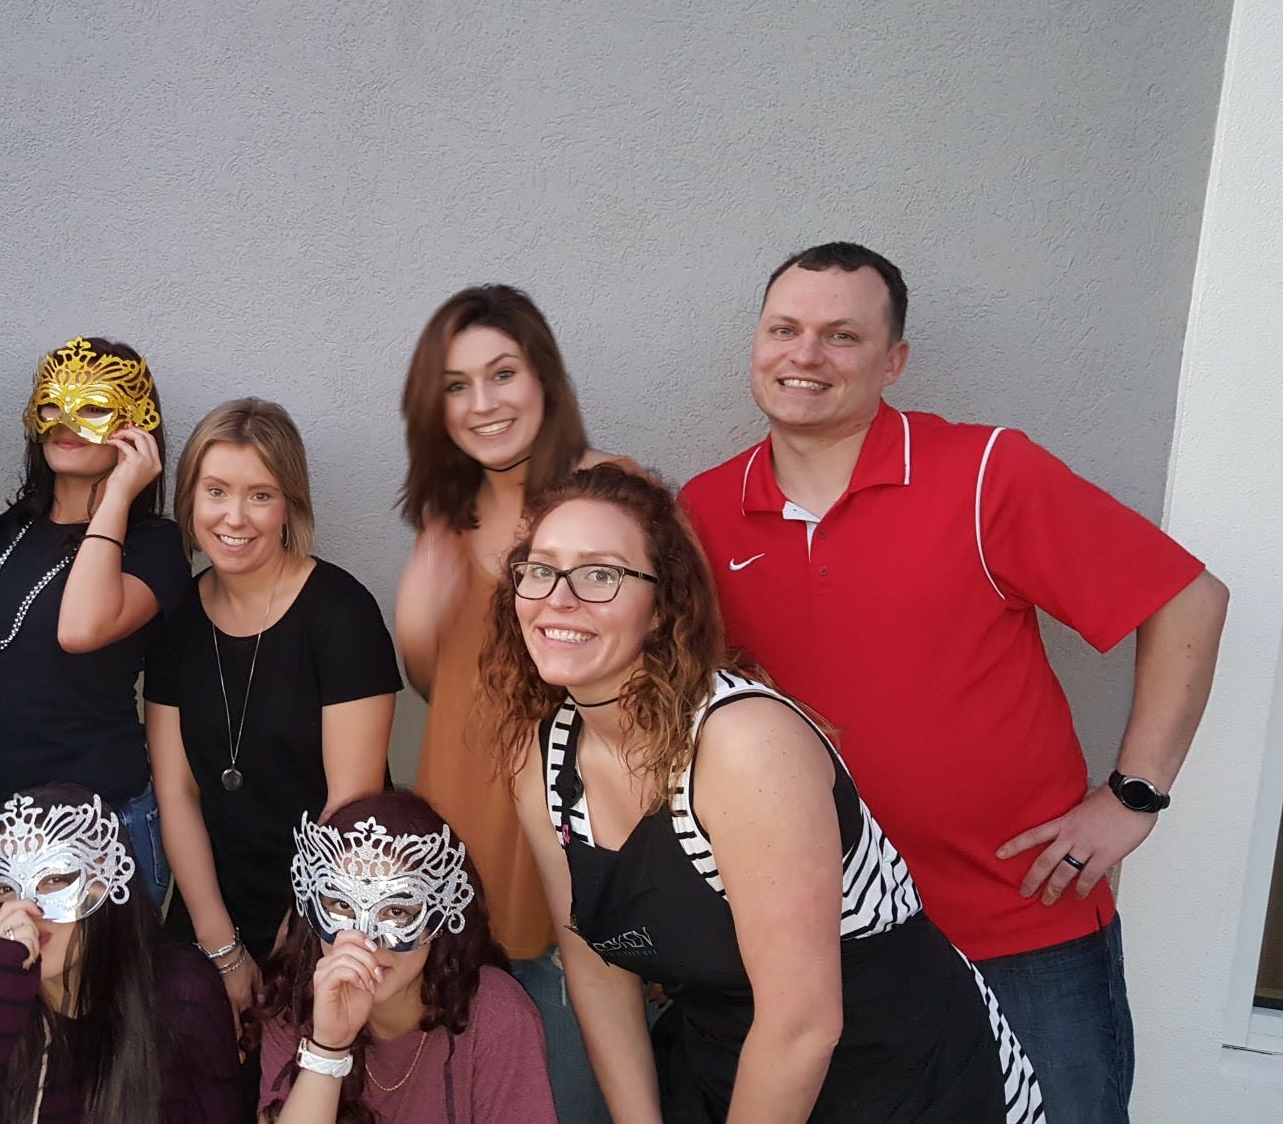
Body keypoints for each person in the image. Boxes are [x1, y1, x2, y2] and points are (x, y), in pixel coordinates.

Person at [677, 243, 1228, 1123]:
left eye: (841, 335)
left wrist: (1133, 796)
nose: (805, 356)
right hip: (827, 948)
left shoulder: (984, 473)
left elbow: (1187, 600)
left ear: (893, 360)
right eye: (784, 329)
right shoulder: (702, 511)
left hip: (1021, 927)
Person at [482, 464, 1045, 1122]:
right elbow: (599, 973)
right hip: (727, 1071)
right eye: (540, 568)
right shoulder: (544, 756)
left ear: (662, 607)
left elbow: (802, 1026)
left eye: (601, 574)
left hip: (899, 1076)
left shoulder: (743, 745)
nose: (559, 598)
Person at [393, 284, 621, 1116]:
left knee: (569, 1099)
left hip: (581, 867)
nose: (482, 404)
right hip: (460, 864)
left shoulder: (617, 500)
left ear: (545, 380)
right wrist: (416, 622)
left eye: (502, 374)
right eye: (456, 385)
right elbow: (451, 693)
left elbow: (679, 682)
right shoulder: (443, 526)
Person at [0, 337, 191, 1002]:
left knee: (88, 1048)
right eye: (56, 402)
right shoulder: (8, 527)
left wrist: (121, 493)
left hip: (101, 833)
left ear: (138, 425)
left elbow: (82, 628)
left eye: (96, 406)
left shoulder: (154, 545)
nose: (70, 420)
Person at [145, 397, 399, 1015]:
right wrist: (222, 948)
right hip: (213, 905)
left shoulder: (341, 614)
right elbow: (176, 792)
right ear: (190, 500)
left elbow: (351, 809)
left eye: (261, 494)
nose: (235, 516)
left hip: (333, 908)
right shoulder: (174, 616)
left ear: (290, 506)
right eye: (216, 491)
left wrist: (298, 945)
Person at [0, 785, 240, 1123]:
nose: (27, 909)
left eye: (55, 879)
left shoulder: (183, 993)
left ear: (106, 881)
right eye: (3, 889)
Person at [255, 791, 555, 1124]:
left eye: (396, 911)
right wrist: (328, 1047)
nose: (366, 940)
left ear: (440, 920)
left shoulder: (497, 1015)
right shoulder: (292, 997)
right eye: (342, 905)